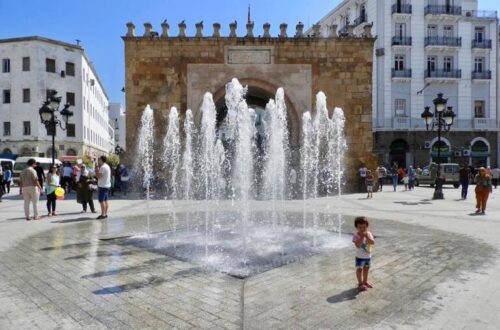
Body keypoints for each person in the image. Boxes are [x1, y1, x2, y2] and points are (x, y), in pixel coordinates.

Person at [352, 216, 375, 291]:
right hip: (359, 257)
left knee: (366, 269)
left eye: (364, 227)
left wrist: (367, 237)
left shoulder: (369, 233)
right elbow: (358, 245)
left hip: (368, 256)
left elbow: (372, 242)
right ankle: (360, 283)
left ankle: (365, 281)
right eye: (360, 227)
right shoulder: (356, 235)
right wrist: (361, 237)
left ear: (367, 226)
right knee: (359, 269)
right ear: (356, 227)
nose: (362, 229)